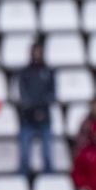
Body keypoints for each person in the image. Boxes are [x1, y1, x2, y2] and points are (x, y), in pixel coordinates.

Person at [13, 41, 57, 175]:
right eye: (35, 52)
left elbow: (52, 94)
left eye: (39, 52)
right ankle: (22, 177)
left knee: (47, 154)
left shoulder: (49, 72)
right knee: (25, 154)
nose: (37, 55)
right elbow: (23, 94)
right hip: (27, 117)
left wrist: (41, 108)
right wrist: (33, 108)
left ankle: (49, 180)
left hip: (45, 117)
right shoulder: (25, 72)